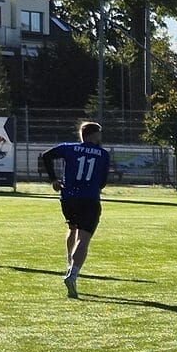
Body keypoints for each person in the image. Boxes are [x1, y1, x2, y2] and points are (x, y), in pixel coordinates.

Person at [38, 122, 111, 298]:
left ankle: (69, 263)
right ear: (92, 135)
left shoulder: (68, 148)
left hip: (68, 198)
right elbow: (102, 182)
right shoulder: (103, 154)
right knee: (84, 238)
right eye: (99, 133)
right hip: (89, 199)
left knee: (72, 228)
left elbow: (46, 156)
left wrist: (53, 179)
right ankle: (72, 274)